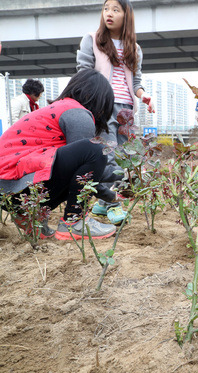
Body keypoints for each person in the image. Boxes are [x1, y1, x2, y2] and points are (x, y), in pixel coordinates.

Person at [0, 69, 120, 240]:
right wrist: (120, 182)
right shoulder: (78, 113)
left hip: (7, 189)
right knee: (95, 149)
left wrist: (111, 188)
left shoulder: (58, 108)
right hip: (14, 185)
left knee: (80, 159)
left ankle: (29, 216)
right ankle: (74, 221)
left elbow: (80, 171)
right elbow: (87, 168)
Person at [76, 0, 154, 225]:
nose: (109, 13)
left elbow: (136, 81)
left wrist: (143, 95)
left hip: (127, 109)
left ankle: (103, 203)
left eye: (115, 10)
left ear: (126, 15)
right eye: (106, 8)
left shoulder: (135, 48)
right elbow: (84, 73)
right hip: (102, 105)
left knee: (125, 159)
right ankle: (112, 203)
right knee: (108, 156)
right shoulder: (92, 40)